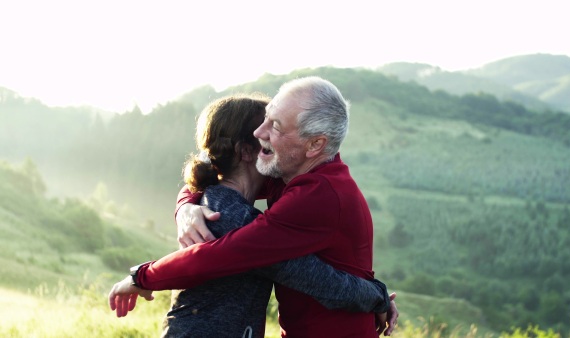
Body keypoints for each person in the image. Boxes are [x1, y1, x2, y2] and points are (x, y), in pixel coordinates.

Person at [109, 77, 398, 337]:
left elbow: (238, 254)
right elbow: (220, 175)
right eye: (265, 121)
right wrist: (186, 203)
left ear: (314, 145)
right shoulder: (295, 173)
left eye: (275, 126)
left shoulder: (312, 193)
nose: (262, 132)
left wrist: (142, 275)